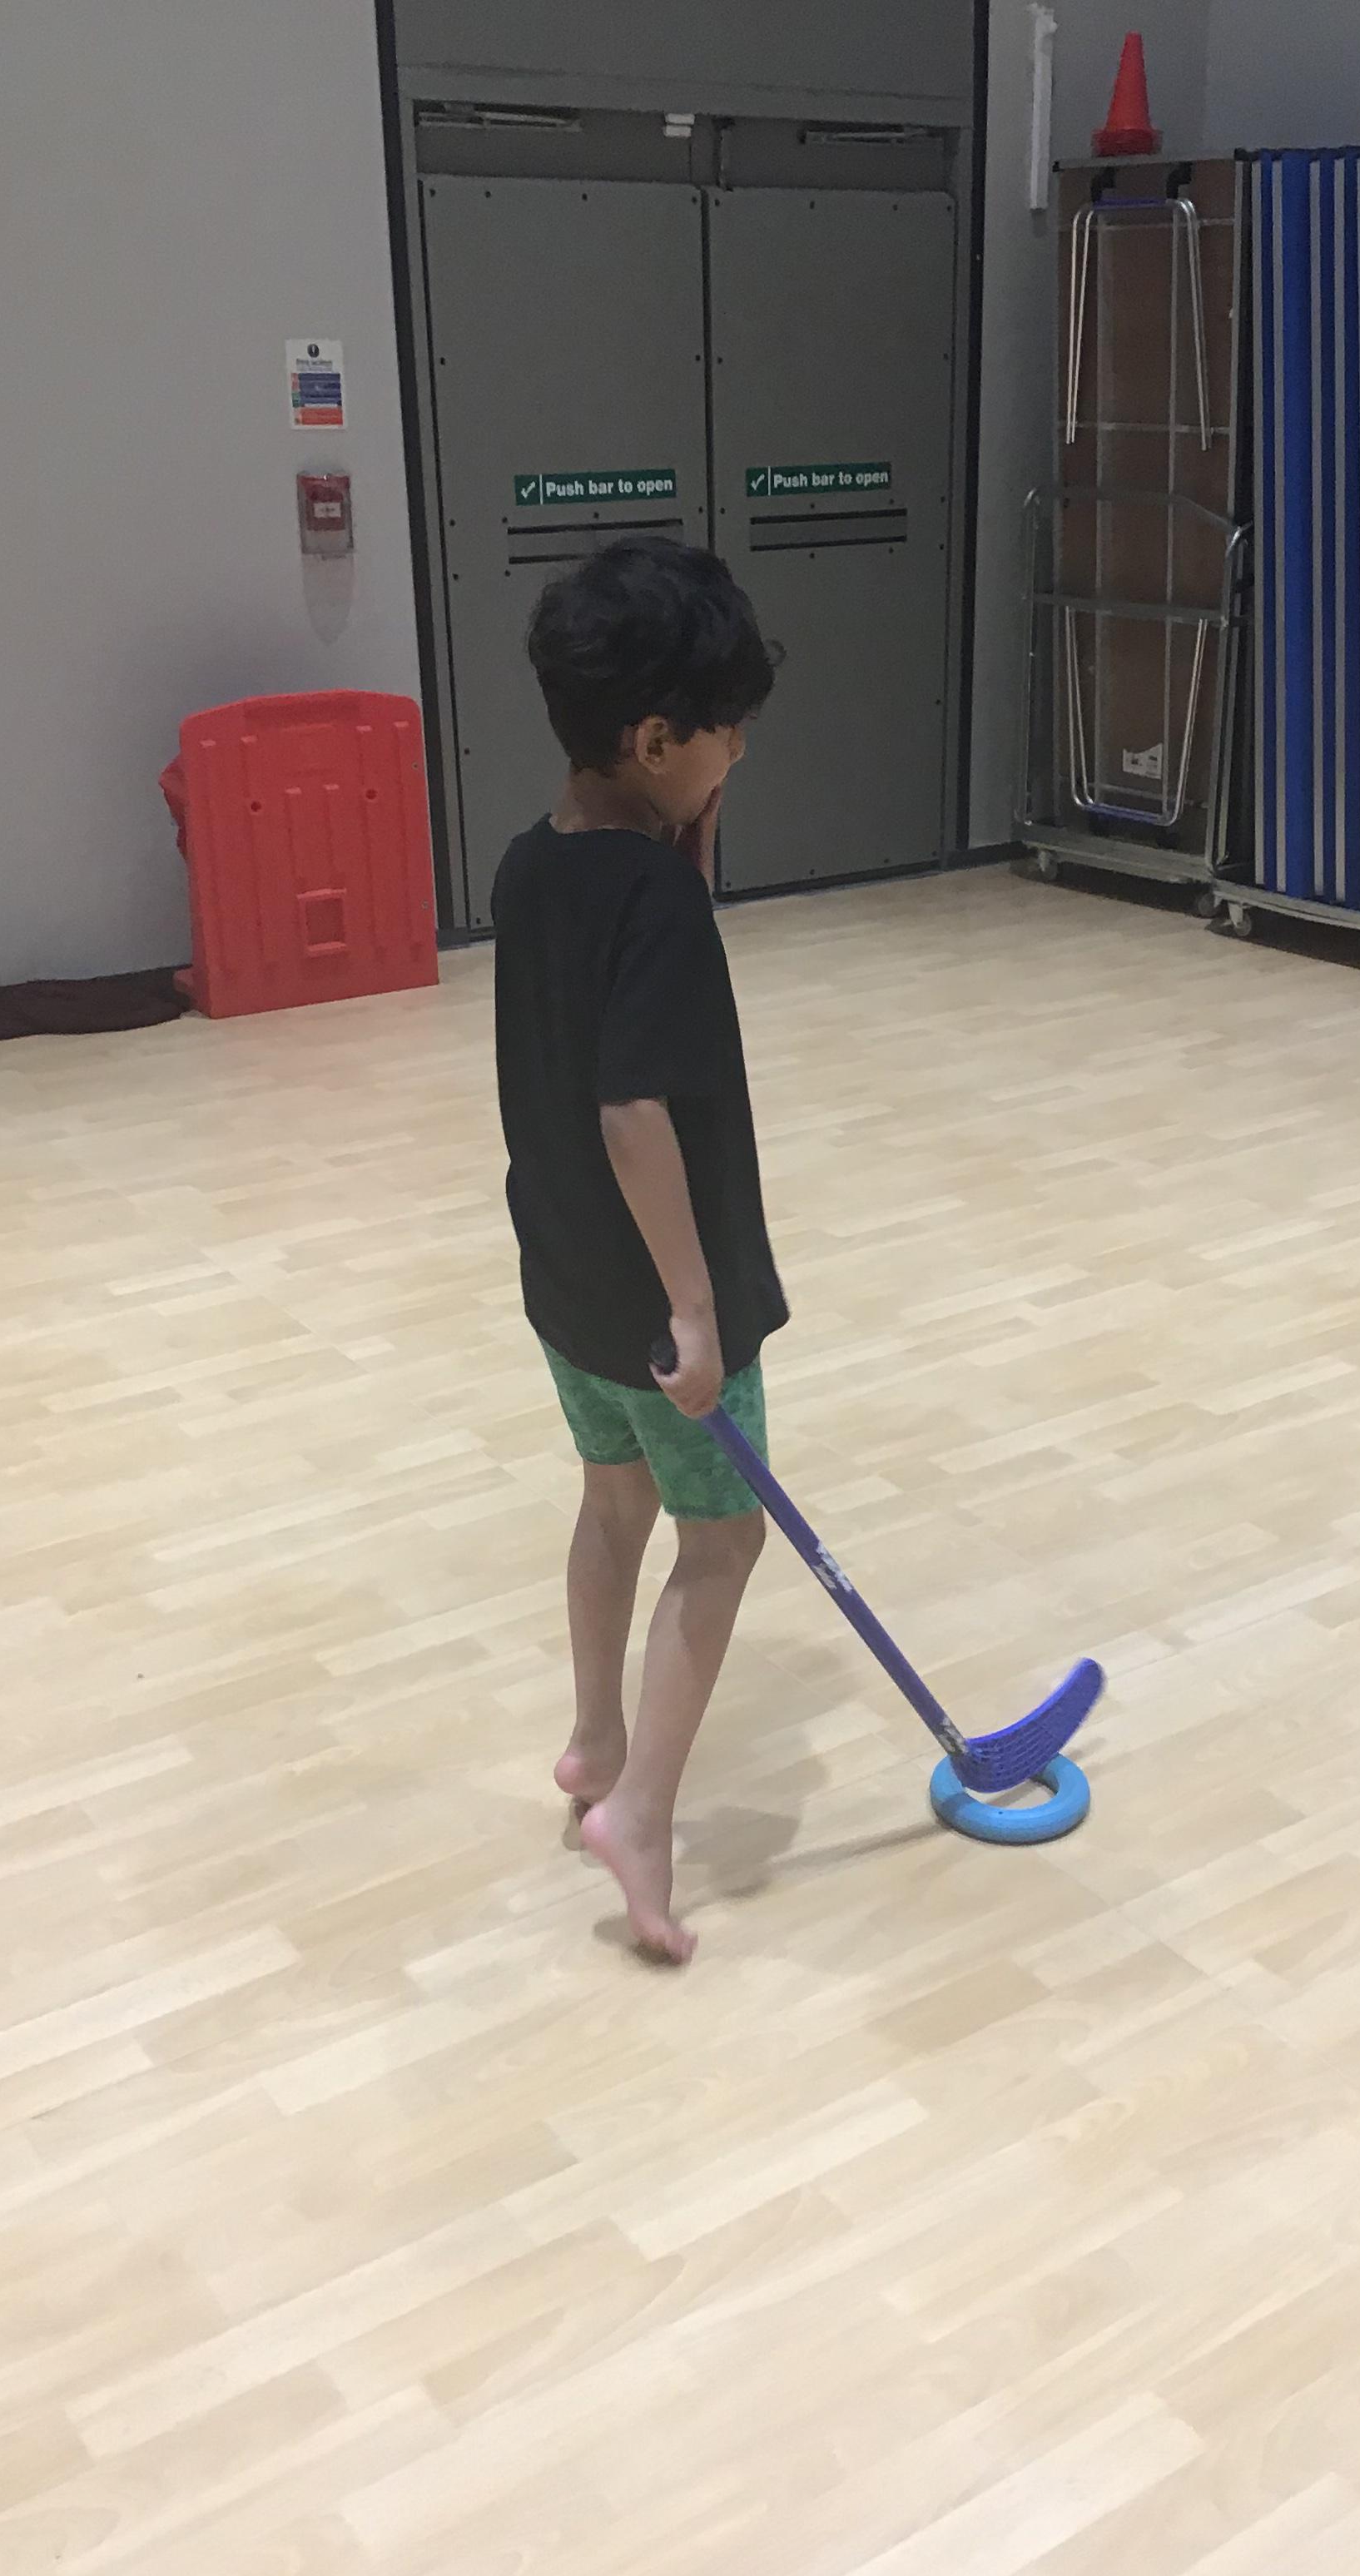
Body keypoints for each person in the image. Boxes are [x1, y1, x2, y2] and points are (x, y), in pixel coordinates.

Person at [493, 536, 785, 1965]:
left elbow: (597, 1012)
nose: (742, 754)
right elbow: (632, 1110)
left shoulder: (530, 867)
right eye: (727, 732)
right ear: (658, 741)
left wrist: (689, 860)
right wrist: (698, 1312)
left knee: (613, 1504)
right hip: (666, 1306)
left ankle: (595, 1739)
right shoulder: (655, 902)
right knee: (721, 1541)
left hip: (565, 1288)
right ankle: (645, 1815)